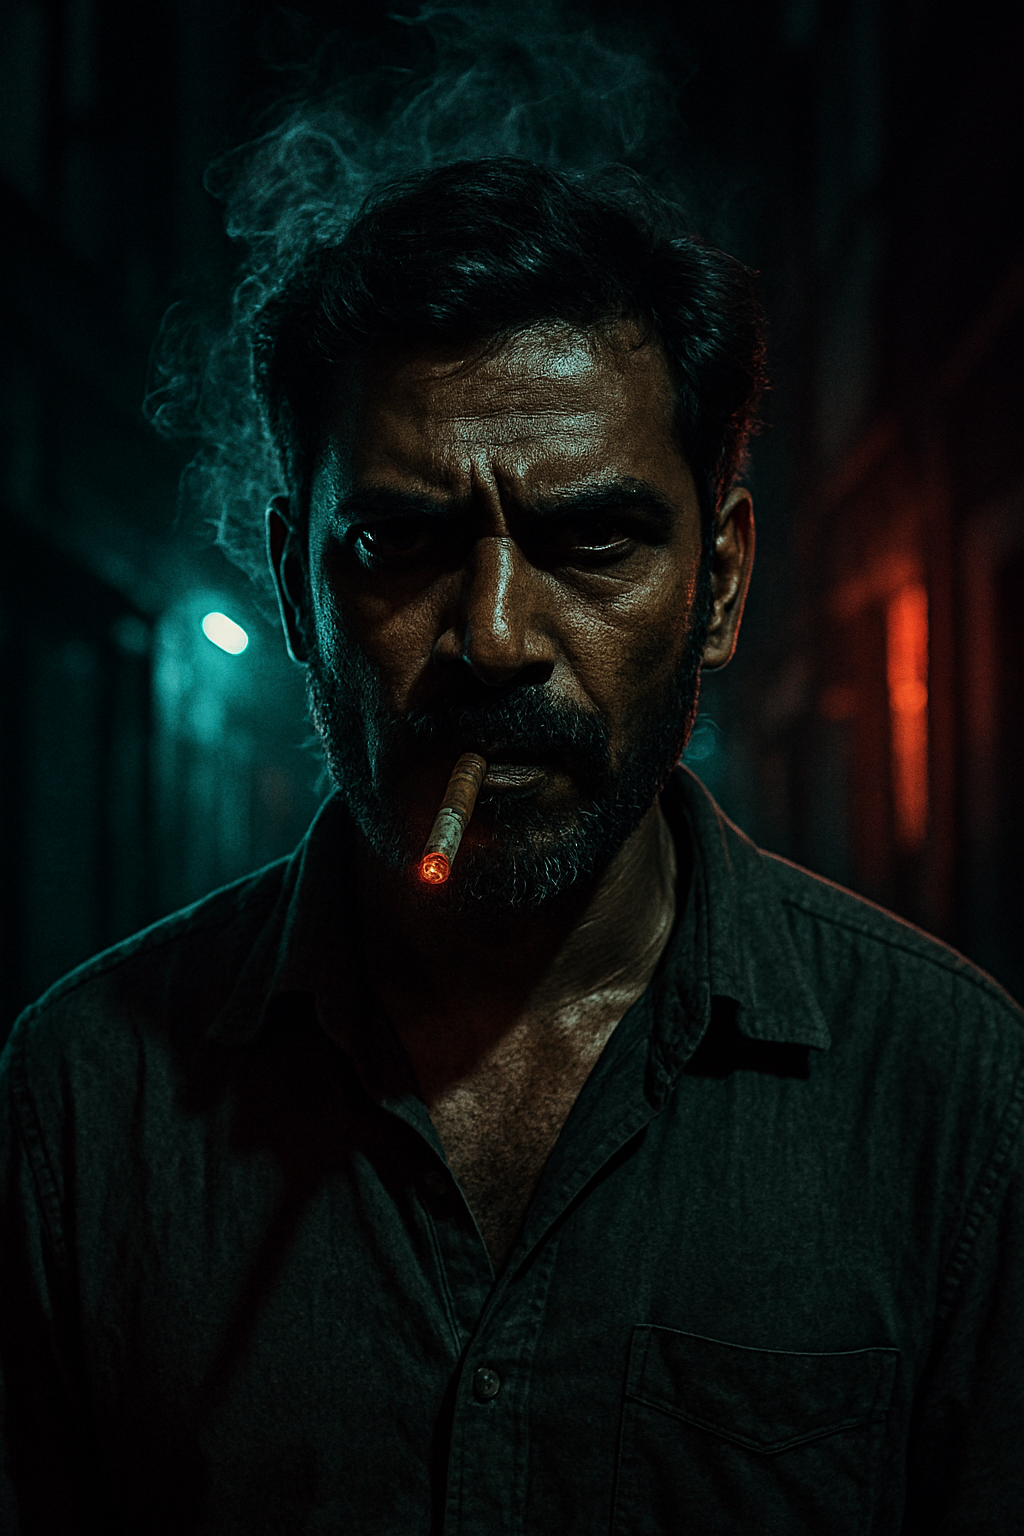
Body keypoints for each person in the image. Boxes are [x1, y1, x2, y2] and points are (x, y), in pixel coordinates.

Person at [1, 158, 1021, 1535]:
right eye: (397, 544)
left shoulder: (954, 1096)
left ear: (717, 586)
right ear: (297, 588)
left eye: (593, 538)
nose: (492, 637)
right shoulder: (83, 1101)